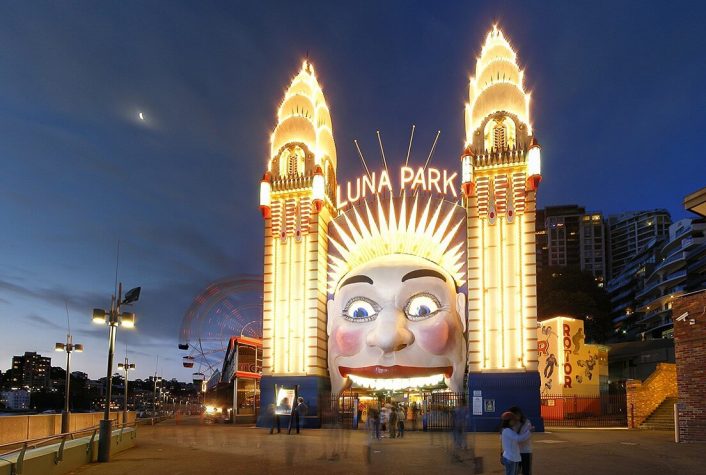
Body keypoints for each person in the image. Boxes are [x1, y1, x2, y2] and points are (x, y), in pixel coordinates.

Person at [509, 406, 533, 475]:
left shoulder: (527, 422)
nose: (514, 417)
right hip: (515, 452)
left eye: (515, 415)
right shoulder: (512, 423)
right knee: (515, 471)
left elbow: (524, 438)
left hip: (525, 452)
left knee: (526, 471)